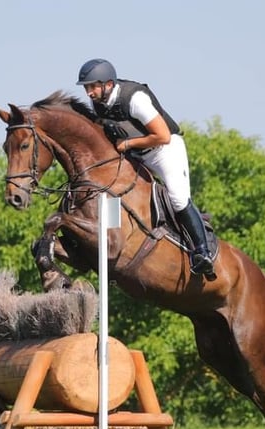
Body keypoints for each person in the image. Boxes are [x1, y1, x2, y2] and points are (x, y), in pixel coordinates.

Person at [76, 58, 215, 276]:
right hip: (136, 154)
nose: (89, 93)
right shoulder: (100, 102)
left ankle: (202, 251)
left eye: (92, 86)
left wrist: (128, 144)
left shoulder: (134, 98)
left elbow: (162, 136)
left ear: (108, 84)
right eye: (87, 87)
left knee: (178, 199)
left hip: (164, 151)